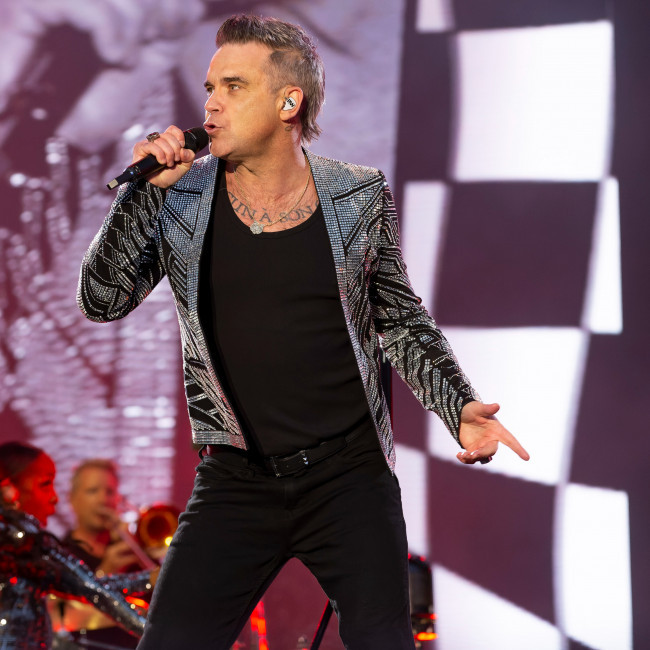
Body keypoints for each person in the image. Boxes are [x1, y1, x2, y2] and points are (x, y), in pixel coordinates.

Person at [77, 14, 530, 649]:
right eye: (210, 87)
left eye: (234, 86)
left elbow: (399, 319)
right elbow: (101, 300)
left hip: (348, 477)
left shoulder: (357, 195)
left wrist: (457, 406)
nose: (211, 103)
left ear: (289, 102)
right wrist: (143, 195)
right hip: (236, 479)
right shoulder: (181, 197)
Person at [0, 442, 152, 650]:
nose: (54, 497)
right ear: (9, 491)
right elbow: (90, 589)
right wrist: (157, 632)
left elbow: (88, 586)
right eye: (45, 484)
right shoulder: (31, 547)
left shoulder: (26, 547)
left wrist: (149, 573)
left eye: (110, 491)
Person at [61, 459, 150, 649]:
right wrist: (106, 572)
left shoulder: (129, 547)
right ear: (72, 499)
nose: (103, 500)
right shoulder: (61, 554)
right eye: (93, 491)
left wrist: (138, 548)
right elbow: (66, 618)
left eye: (110, 492)